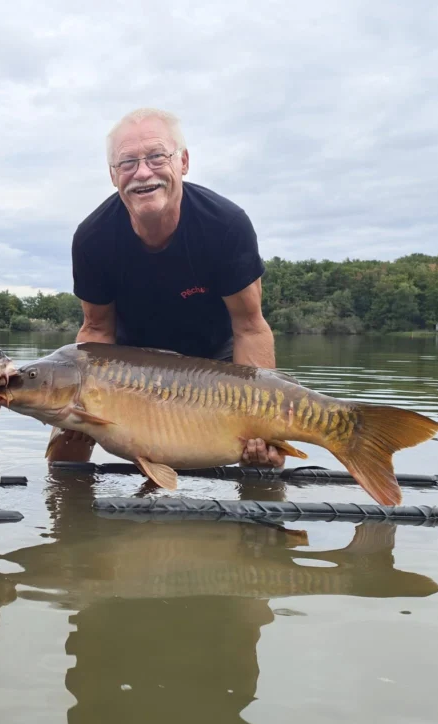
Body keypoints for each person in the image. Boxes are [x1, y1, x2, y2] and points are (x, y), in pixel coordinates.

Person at [49, 108, 283, 468]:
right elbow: (96, 329)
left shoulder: (226, 225)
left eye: (157, 156)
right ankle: (71, 512)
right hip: (128, 364)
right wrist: (83, 406)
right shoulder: (92, 238)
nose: (142, 172)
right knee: (65, 444)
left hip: (216, 363)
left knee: (261, 455)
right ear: (113, 175)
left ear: (183, 162)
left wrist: (264, 421)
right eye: (127, 162)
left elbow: (250, 327)